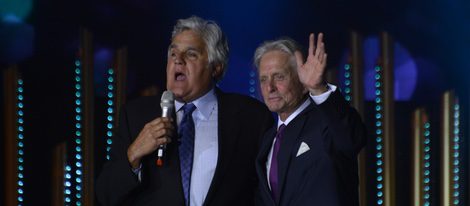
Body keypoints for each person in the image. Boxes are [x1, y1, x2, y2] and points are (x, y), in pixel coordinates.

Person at [96, 16, 274, 206]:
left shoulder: (251, 116)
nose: (178, 61)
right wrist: (133, 154)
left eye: (191, 54)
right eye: (173, 54)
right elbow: (105, 194)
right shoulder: (135, 115)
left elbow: (268, 191)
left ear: (216, 67)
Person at [253, 34, 366, 206]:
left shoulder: (326, 123)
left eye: (279, 77)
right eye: (263, 79)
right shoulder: (268, 139)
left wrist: (318, 88)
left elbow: (352, 139)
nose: (270, 88)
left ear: (303, 82)